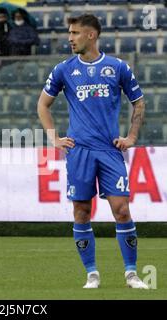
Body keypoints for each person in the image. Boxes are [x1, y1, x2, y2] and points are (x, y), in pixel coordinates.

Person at [37, 14, 148, 289]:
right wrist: (54, 138)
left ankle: (132, 274)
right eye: (69, 33)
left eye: (75, 33)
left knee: (121, 211)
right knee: (81, 212)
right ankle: (92, 274)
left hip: (110, 151)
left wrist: (132, 137)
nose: (70, 38)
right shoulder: (64, 69)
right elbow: (43, 105)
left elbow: (139, 102)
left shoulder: (117, 67)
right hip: (80, 152)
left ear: (91, 35)